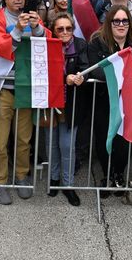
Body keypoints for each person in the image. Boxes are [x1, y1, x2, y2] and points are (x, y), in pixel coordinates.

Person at [0, 0, 46, 204]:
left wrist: (37, 27)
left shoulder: (30, 16)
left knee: (23, 139)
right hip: (1, 88)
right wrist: (18, 29)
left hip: (24, 88)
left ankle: (21, 176)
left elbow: (45, 44)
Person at [85, 3, 132, 195]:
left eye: (124, 21)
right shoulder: (97, 42)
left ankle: (119, 174)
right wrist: (119, 77)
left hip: (128, 101)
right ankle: (107, 174)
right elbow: (93, 68)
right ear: (109, 23)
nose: (121, 24)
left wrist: (131, 78)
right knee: (105, 138)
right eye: (116, 21)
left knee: (124, 140)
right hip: (105, 100)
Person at [47, 12, 86, 207]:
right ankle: (54, 179)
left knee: (66, 145)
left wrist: (80, 77)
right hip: (51, 102)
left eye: (68, 28)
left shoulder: (80, 45)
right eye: (60, 28)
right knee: (51, 143)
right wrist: (64, 79)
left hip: (73, 103)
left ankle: (68, 184)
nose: (65, 32)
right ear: (53, 30)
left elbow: (87, 67)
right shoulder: (47, 45)